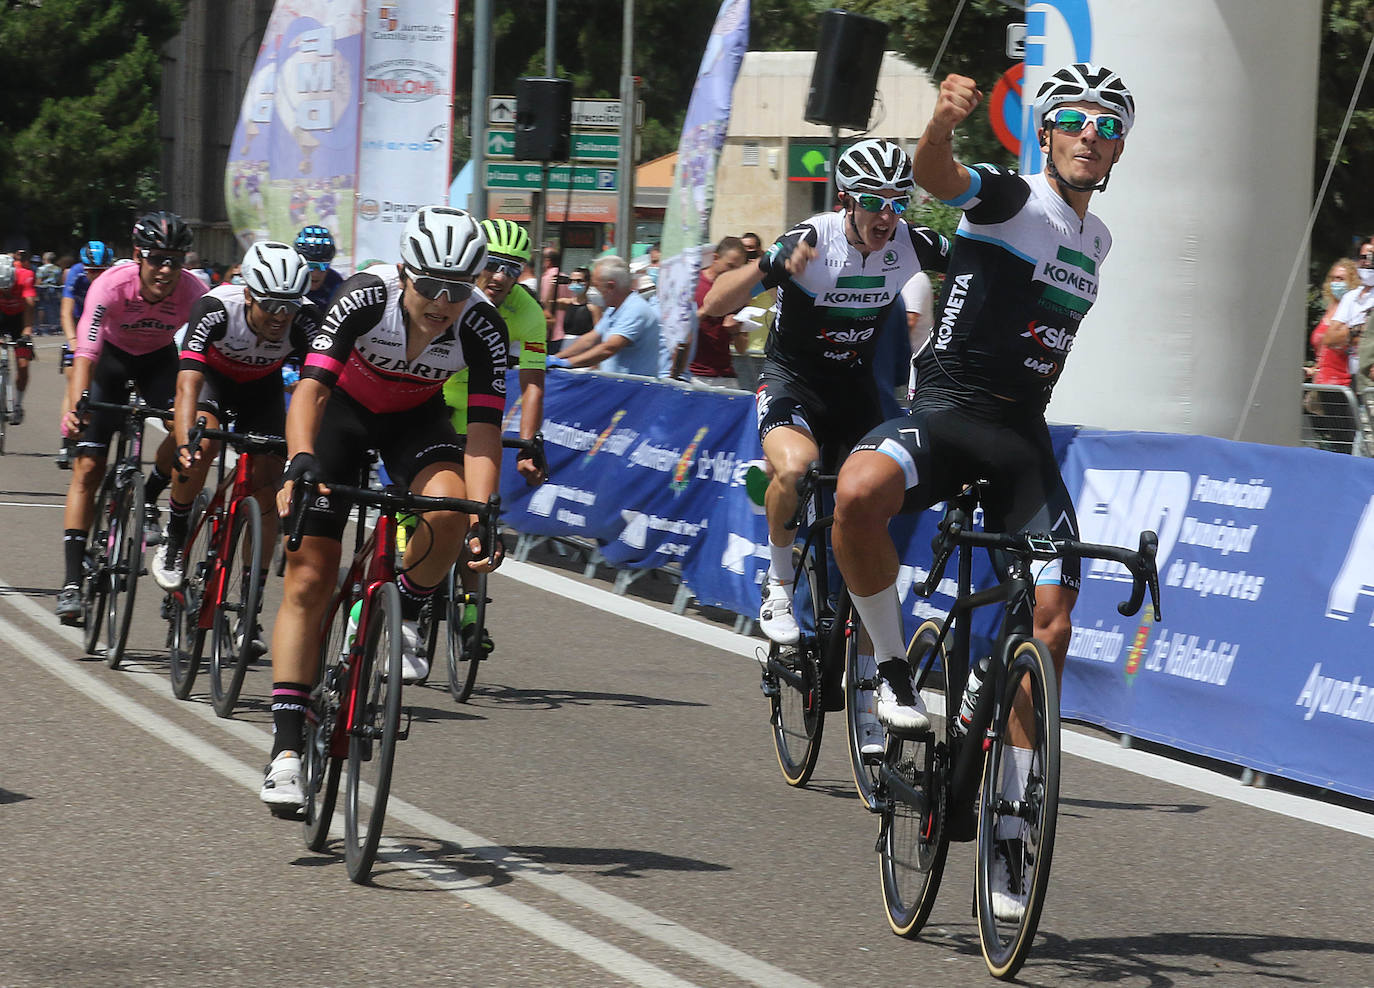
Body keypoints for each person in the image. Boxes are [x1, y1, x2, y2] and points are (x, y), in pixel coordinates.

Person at [830, 65, 1135, 921]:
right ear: (1045, 133)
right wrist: (940, 125)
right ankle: (893, 670)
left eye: (1106, 126)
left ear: (1117, 148)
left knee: (1053, 621)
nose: (1088, 134)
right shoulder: (1012, 199)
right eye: (1072, 120)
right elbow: (939, 177)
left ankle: (1009, 825)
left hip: (1021, 441)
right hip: (947, 414)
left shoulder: (1099, 239)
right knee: (856, 495)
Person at [261, 206, 507, 812]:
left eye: (457, 287)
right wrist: (298, 460)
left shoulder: (482, 325)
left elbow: (483, 428)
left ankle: (408, 608)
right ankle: (287, 747)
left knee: (450, 508)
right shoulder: (363, 298)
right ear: (404, 273)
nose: (442, 301)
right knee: (311, 576)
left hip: (414, 422)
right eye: (429, 285)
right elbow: (311, 390)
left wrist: (482, 512)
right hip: (340, 417)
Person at [700, 137, 950, 652]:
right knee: (797, 468)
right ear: (845, 200)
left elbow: (988, 258)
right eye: (874, 201)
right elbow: (713, 304)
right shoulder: (812, 237)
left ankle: (875, 671)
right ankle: (779, 584)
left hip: (855, 389)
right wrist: (770, 266)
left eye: (898, 202)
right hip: (794, 379)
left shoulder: (912, 243)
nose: (887, 216)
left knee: (880, 499)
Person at [56, 211, 208, 624]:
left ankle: (153, 490)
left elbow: (199, 359)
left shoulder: (194, 292)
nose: (165, 269)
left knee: (185, 427)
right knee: (88, 468)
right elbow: (85, 353)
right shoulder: (110, 285)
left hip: (157, 360)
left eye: (174, 261)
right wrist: (76, 405)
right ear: (139, 255)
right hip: (111, 360)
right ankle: (71, 583)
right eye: (156, 258)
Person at [149, 242, 319, 599]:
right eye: (270, 305)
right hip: (214, 381)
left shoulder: (304, 320)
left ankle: (249, 604)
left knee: (269, 485)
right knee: (202, 442)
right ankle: (176, 537)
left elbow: (318, 389)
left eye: (288, 306)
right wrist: (185, 443)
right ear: (248, 294)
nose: (279, 316)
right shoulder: (216, 308)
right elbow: (187, 385)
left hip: (262, 388)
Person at [439, 218, 548, 654]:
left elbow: (533, 383)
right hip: (431, 397)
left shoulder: (528, 313)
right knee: (416, 500)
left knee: (476, 516)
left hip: (479, 411)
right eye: (494, 264)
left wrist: (527, 443)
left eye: (514, 268)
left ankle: (469, 615)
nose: (502, 275)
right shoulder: (453, 296)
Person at [551, 256, 662, 376]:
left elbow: (608, 348)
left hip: (634, 390)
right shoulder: (613, 310)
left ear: (611, 287)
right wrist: (556, 358)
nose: (594, 292)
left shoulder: (635, 310)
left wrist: (567, 363)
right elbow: (590, 339)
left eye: (597, 286)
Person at [57, 242, 115, 467]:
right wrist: (73, 342)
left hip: (106, 329)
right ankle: (67, 439)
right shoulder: (75, 273)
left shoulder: (114, 277)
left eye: (100, 271)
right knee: (74, 380)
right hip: (81, 328)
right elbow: (65, 312)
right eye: (91, 270)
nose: (95, 275)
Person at [1313, 245, 1374, 453]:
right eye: (1363, 257)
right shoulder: (1352, 298)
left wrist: (1350, 331)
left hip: (1356, 381)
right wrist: (1359, 329)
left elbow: (1343, 335)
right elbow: (1330, 338)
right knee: (1357, 446)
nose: (1367, 261)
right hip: (1356, 382)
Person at [688, 235, 750, 387]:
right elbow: (677, 330)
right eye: (730, 266)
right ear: (715, 258)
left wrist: (735, 332)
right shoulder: (691, 284)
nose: (734, 273)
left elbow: (742, 348)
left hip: (725, 376)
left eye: (738, 269)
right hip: (693, 376)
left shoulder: (739, 292)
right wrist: (706, 310)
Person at [0, 252, 37, 425]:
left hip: (19, 319)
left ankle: (18, 405)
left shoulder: (25, 275)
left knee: (23, 365)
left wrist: (27, 333)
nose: (6, 292)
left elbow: (30, 307)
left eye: (8, 287)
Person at [294, 225, 344, 308]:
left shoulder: (335, 282)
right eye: (310, 266)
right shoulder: (288, 280)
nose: (316, 273)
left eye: (324, 265)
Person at [561, 266, 601, 343]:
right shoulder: (565, 303)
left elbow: (598, 333)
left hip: (584, 345)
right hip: (566, 344)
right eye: (572, 281)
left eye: (579, 281)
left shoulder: (593, 308)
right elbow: (547, 305)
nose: (575, 284)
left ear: (588, 283)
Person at [36, 251, 63, 334]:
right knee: (54, 307)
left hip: (43, 289)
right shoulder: (58, 269)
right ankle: (54, 324)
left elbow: (39, 281)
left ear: (45, 259)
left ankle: (41, 325)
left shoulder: (41, 269)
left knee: (41, 307)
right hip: (54, 289)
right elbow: (59, 281)